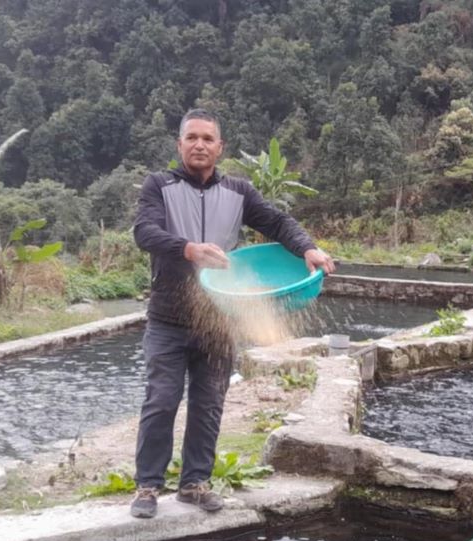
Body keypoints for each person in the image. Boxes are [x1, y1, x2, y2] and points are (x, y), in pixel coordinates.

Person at [129, 108, 335, 519]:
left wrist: (308, 248)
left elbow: (277, 222)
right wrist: (189, 249)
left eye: (208, 138)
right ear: (180, 145)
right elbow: (144, 232)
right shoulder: (159, 186)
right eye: (192, 138)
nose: (200, 144)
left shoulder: (239, 191)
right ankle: (148, 486)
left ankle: (195, 483)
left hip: (221, 317)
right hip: (168, 318)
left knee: (208, 403)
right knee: (162, 400)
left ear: (220, 148)